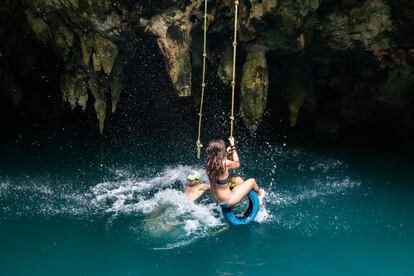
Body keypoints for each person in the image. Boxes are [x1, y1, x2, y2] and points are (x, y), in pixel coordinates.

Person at [206, 137, 265, 208]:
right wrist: (233, 145)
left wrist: (227, 153)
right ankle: (259, 195)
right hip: (227, 200)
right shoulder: (225, 163)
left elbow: (220, 162)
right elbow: (237, 163)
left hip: (218, 200)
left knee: (237, 180)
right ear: (221, 151)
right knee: (252, 181)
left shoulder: (209, 162)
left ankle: (246, 195)